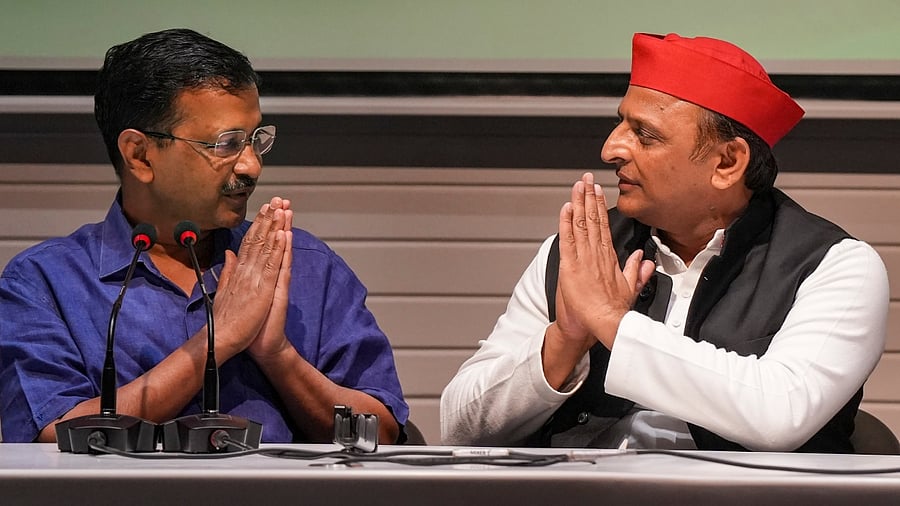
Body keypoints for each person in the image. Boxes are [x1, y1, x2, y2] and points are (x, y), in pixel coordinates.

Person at [440, 33, 889, 452]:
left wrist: (611, 322)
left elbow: (781, 415)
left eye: (645, 134)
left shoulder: (834, 266)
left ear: (727, 163)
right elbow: (459, 425)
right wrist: (565, 339)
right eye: (620, 124)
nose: (610, 148)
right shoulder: (581, 253)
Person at [0, 28, 408, 444]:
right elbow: (51, 436)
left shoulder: (305, 264)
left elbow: (382, 433)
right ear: (139, 155)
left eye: (254, 140)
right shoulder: (45, 280)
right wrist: (218, 340)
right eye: (226, 144)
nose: (251, 166)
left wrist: (278, 356)